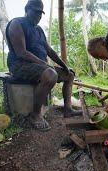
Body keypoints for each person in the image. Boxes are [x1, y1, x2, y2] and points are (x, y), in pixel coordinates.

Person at [6, 0, 82, 131]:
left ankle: (68, 109)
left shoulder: (39, 30)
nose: (39, 16)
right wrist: (46, 65)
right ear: (27, 9)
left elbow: (50, 51)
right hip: (19, 65)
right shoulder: (16, 23)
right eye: (36, 12)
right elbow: (21, 53)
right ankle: (35, 115)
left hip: (40, 67)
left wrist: (64, 66)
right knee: (50, 74)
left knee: (69, 75)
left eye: (41, 13)